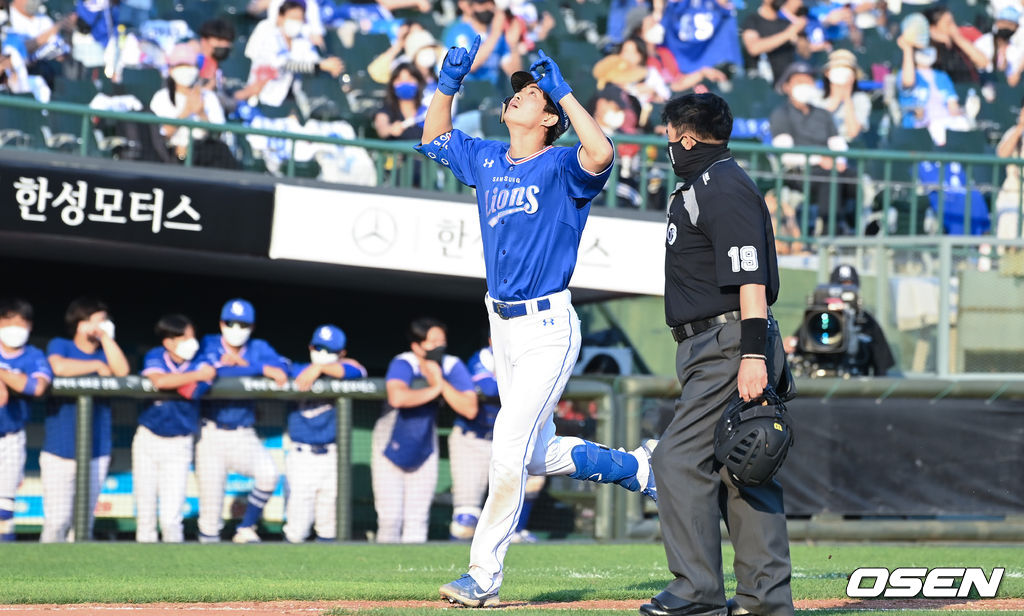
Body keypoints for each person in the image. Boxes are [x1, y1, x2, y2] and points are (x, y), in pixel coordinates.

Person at [416, 38, 656, 607]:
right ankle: (632, 468)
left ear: (548, 117)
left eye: (531, 93)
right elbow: (432, 138)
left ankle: (483, 576)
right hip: (501, 323)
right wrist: (448, 83)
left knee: (505, 446)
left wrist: (565, 92)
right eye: (517, 91)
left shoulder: (560, 163)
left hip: (548, 323)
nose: (517, 97)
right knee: (530, 450)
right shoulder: (491, 158)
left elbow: (602, 154)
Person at [645, 91, 792, 616]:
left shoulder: (722, 187)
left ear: (685, 137)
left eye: (669, 138)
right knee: (741, 467)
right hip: (715, 344)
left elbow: (750, 279)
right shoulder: (706, 183)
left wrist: (752, 355)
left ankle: (697, 591)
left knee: (677, 460)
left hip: (730, 343)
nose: (668, 147)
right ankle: (765, 601)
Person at [372, 318, 476, 544]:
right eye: (433, 341)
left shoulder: (450, 364)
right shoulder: (404, 362)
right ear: (417, 346)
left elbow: (469, 408)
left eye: (442, 340)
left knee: (417, 521)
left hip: (425, 449)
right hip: (387, 449)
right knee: (390, 520)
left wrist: (439, 381)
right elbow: (397, 397)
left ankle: (411, 577)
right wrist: (435, 388)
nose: (439, 346)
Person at [196, 298, 288, 544]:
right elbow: (211, 372)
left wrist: (249, 364)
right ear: (221, 323)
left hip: (242, 433)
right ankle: (204, 575)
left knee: (269, 474)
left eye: (242, 324)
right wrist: (258, 369)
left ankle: (246, 527)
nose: (236, 328)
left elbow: (283, 368)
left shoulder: (258, 347)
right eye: (230, 322)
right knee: (210, 514)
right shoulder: (208, 342)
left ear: (252, 326)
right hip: (210, 433)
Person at [42, 297, 130, 542]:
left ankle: (76, 578)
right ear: (81, 324)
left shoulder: (106, 352)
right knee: (57, 522)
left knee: (83, 524)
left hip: (97, 449)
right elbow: (57, 367)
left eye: (106, 320)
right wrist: (96, 366)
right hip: (60, 449)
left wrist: (105, 338)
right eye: (99, 320)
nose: (105, 324)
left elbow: (122, 372)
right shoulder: (61, 344)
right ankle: (41, 574)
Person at [449, 339, 542, 544]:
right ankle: (451, 566)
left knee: (532, 484)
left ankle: (516, 537)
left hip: (514, 438)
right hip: (475, 440)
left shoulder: (531, 355)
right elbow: (489, 389)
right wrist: (526, 385)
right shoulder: (483, 356)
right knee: (466, 520)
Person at [134, 314, 215, 543]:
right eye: (185, 337)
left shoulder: (202, 359)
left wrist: (178, 379)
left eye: (192, 336)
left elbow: (191, 391)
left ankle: (172, 574)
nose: (192, 342)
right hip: (148, 438)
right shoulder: (155, 355)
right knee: (145, 518)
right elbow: (159, 381)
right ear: (169, 342)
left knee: (171, 519)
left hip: (179, 443)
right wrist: (194, 376)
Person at [283, 324, 367, 543]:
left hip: (332, 456)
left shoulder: (343, 371)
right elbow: (285, 371)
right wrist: (313, 369)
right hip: (302, 456)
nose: (322, 354)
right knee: (297, 527)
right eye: (318, 348)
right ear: (310, 346)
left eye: (330, 351)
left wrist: (321, 369)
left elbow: (359, 372)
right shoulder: (297, 369)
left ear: (341, 354)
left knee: (329, 525)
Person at [769, 61, 857, 235]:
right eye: (799, 81)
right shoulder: (781, 114)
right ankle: (828, 234)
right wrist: (820, 160)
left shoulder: (823, 114)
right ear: (787, 87)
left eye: (808, 81)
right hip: (798, 172)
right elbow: (786, 154)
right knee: (829, 179)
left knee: (852, 176)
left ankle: (853, 228)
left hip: (828, 168)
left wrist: (838, 161)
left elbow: (838, 144)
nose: (805, 85)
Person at [0, 299, 52, 542]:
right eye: (8, 321)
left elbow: (35, 386)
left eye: (20, 322)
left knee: (4, 508)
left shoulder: (33, 354)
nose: (14, 328)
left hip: (10, 435)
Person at [149, 42, 238, 169]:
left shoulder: (209, 97)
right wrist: (186, 112)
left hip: (206, 156)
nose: (186, 70)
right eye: (181, 65)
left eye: (190, 65)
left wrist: (201, 114)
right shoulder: (161, 97)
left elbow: (218, 134)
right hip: (171, 157)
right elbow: (160, 135)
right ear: (171, 69)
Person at [243, 0, 344, 107]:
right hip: (262, 99)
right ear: (280, 17)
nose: (296, 22)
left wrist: (330, 65)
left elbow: (313, 59)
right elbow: (283, 64)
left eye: (300, 19)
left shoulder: (300, 40)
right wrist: (319, 65)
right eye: (292, 18)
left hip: (291, 103)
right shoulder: (267, 32)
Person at [442, 0, 522, 88]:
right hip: (469, 91)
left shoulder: (498, 34)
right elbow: (470, 65)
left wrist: (513, 45)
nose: (487, 7)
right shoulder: (458, 31)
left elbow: (513, 72)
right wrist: (495, 34)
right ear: (470, 7)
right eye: (482, 3)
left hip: (493, 91)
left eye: (491, 3)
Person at [740, 0, 803, 85]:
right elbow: (754, 48)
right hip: (762, 84)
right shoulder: (752, 20)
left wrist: (801, 32)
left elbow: (804, 53)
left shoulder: (787, 24)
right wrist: (788, 34)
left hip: (786, 85)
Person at [924, 5, 986, 85]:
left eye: (953, 22)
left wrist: (958, 38)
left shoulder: (958, 45)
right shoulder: (929, 49)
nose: (953, 27)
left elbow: (983, 62)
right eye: (948, 23)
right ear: (933, 28)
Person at [820, 49, 870, 143]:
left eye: (846, 69)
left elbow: (853, 133)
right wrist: (836, 99)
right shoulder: (817, 97)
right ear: (828, 73)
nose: (841, 73)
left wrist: (847, 98)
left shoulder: (861, 99)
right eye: (837, 68)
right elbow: (815, 128)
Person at [374, 63, 427, 140]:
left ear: (418, 82)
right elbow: (382, 127)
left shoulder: (426, 109)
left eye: (409, 79)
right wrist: (390, 129)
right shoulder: (387, 109)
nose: (405, 84)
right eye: (399, 80)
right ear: (392, 84)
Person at [974, 6, 1024, 86]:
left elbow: (1012, 81)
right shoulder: (983, 42)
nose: (1007, 27)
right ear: (997, 23)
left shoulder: (1016, 50)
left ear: (1016, 27)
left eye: (1011, 25)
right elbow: (982, 65)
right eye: (1004, 23)